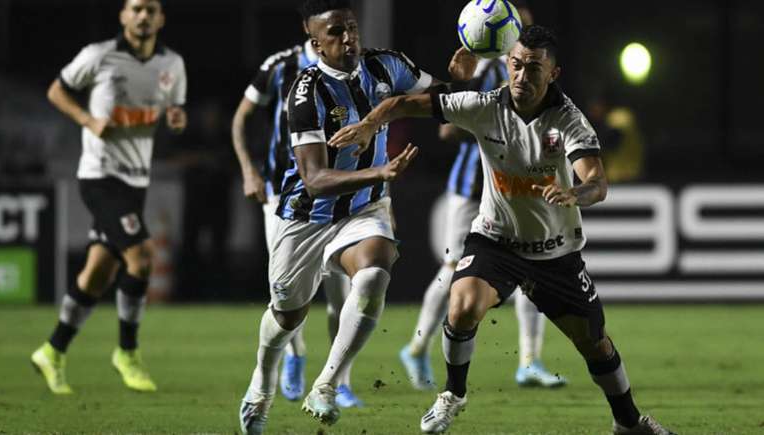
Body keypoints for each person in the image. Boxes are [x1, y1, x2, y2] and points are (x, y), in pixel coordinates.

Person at [329, 25, 674, 435]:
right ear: (507, 64)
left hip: (554, 253)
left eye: (533, 68)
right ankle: (452, 395)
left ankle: (629, 423)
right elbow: (404, 103)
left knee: (594, 343)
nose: (522, 76)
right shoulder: (484, 105)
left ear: (553, 74)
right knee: (461, 306)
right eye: (515, 65)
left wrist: (575, 193)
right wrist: (369, 125)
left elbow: (597, 182)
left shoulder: (569, 121)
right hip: (496, 241)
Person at [236, 0, 449, 432]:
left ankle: (327, 386)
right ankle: (263, 380)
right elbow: (314, 179)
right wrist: (381, 170)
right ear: (315, 42)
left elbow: (442, 94)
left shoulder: (388, 66)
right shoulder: (305, 91)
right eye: (335, 32)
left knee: (373, 274)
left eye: (351, 28)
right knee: (286, 316)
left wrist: (466, 72)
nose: (348, 38)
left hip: (364, 207)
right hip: (306, 216)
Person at [400, 5, 566, 392]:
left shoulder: (530, 76)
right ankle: (416, 346)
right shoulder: (487, 73)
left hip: (514, 190)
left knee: (534, 267)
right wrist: (484, 120)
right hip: (471, 189)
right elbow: (446, 133)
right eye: (518, 29)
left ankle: (529, 361)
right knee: (455, 269)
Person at [31, 0, 186, 394]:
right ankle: (127, 353)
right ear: (123, 16)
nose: (143, 16)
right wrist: (87, 119)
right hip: (100, 177)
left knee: (97, 272)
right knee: (141, 259)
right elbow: (56, 90)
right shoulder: (98, 56)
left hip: (136, 181)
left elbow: (173, 112)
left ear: (161, 18)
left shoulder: (172, 65)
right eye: (136, 8)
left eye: (151, 9)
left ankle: (52, 350)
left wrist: (176, 119)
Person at [230, 26, 361, 407]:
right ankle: (296, 355)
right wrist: (248, 169)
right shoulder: (281, 65)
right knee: (288, 293)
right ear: (312, 28)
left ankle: (341, 381)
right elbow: (240, 118)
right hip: (283, 196)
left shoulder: (357, 68)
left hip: (337, 197)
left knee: (342, 294)